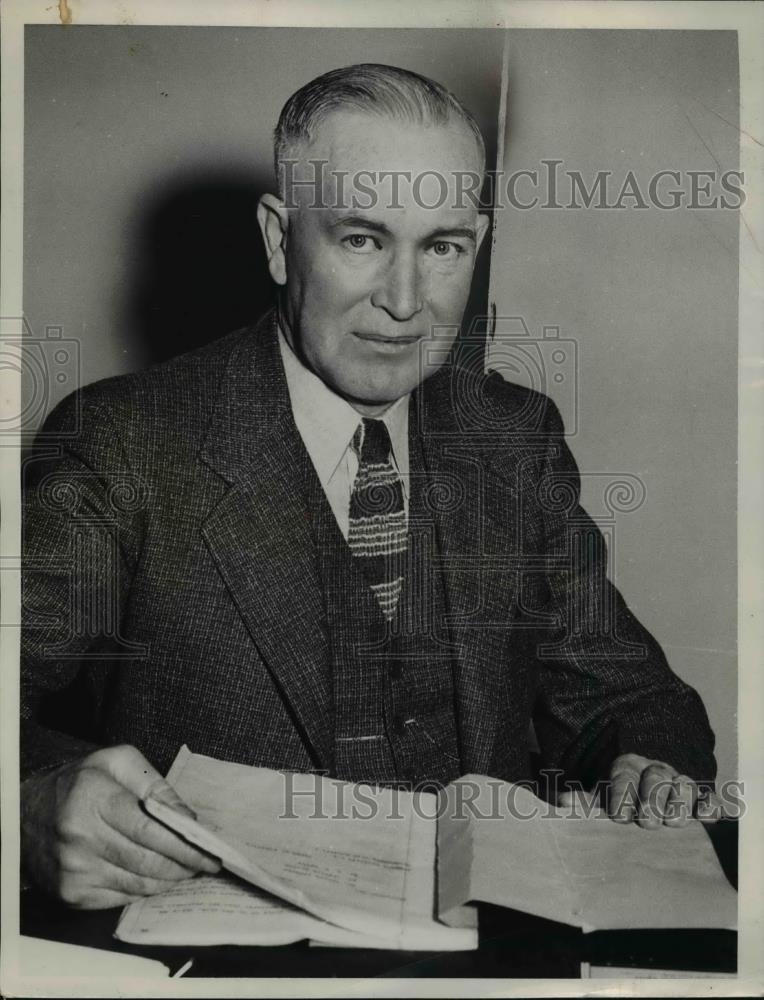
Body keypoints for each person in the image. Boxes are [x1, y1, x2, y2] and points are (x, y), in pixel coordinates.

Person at [20, 63, 718, 910]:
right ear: (280, 241)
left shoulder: (510, 437)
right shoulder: (124, 441)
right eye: (361, 239)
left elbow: (634, 701)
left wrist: (646, 765)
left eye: (443, 247)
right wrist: (31, 804)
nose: (405, 301)